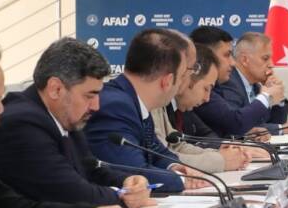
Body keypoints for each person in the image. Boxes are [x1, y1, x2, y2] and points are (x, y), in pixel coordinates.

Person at [0, 43, 139, 208]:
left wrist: (127, 182)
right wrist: (123, 196)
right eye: (89, 96)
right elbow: (72, 194)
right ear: (56, 89)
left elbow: (91, 169)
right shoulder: (21, 123)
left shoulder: (64, 118)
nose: (96, 106)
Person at [85, 28, 206, 192]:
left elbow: (156, 151)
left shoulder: (133, 100)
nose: (183, 83)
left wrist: (175, 167)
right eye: (183, 75)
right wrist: (183, 180)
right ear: (167, 81)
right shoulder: (115, 107)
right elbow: (134, 173)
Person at [154, 43, 251, 173]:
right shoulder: (154, 101)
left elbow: (176, 146)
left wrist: (219, 154)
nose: (207, 98)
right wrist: (221, 160)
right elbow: (158, 157)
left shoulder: (166, 103)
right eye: (206, 88)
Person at [194, 31, 288, 137]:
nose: (271, 64)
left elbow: (271, 122)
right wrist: (281, 127)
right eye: (265, 59)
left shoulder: (255, 85)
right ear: (245, 60)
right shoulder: (228, 82)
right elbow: (238, 124)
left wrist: (277, 98)